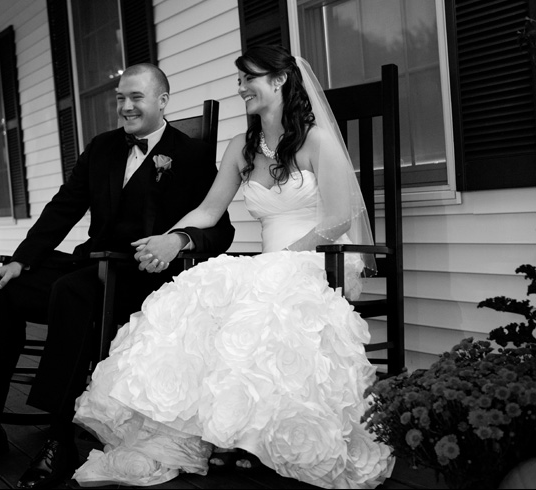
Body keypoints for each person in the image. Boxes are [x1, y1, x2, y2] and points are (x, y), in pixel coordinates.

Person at [70, 46, 395, 489]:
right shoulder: (242, 147)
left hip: (322, 256)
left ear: (279, 81)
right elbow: (208, 210)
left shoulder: (316, 140)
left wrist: (288, 257)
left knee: (260, 300)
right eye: (238, 80)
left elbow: (338, 216)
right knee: (195, 294)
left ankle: (258, 438)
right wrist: (174, 236)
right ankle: (222, 432)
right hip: (269, 264)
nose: (240, 88)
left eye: (249, 79)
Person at [0, 63, 235, 489]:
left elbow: (221, 228)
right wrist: (20, 259)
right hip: (91, 264)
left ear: (162, 101)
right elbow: (63, 207)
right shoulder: (102, 147)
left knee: (72, 293)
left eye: (136, 98)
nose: (125, 106)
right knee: (3, 289)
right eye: (121, 97)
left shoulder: (193, 155)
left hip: (139, 275)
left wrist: (178, 239)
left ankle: (59, 437)